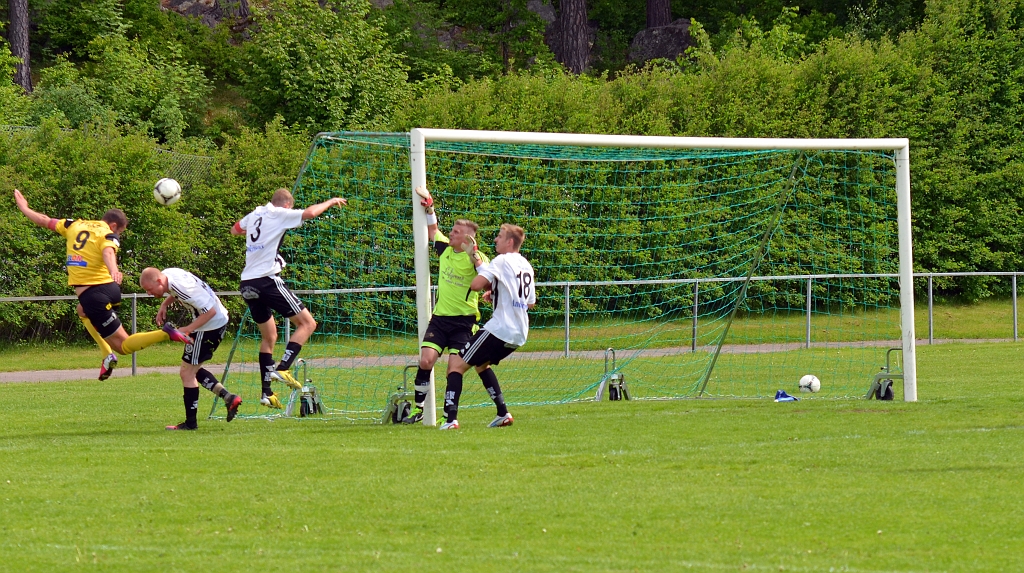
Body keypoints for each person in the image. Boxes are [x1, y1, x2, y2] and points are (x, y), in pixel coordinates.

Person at [13, 190, 193, 380]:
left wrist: (24, 208)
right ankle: (107, 355)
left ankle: (166, 334)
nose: (118, 235)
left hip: (94, 294)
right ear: (114, 225)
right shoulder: (107, 233)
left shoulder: (73, 225)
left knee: (123, 346)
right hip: (108, 289)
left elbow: (44, 219)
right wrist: (113, 270)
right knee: (81, 311)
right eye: (120, 232)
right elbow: (108, 251)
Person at [230, 188, 347, 409]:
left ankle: (267, 393)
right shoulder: (280, 213)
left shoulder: (255, 214)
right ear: (286, 206)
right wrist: (330, 201)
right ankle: (283, 368)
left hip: (247, 283)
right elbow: (311, 213)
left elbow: (235, 230)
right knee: (308, 323)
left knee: (269, 337)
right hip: (266, 280)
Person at [405, 186, 493, 425]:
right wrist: (430, 207)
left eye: (456, 232)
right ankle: (418, 408)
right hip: (441, 319)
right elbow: (433, 229)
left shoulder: (479, 257)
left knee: (454, 368)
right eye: (452, 231)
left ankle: (449, 414)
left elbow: (485, 275)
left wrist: (473, 254)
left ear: (467, 239)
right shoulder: (444, 249)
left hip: (464, 322)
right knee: (426, 360)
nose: (450, 234)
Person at [440, 224, 535, 430]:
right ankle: (503, 413)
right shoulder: (526, 265)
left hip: (501, 328)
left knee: (455, 366)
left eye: (499, 237)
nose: (495, 240)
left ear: (509, 242)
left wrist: (476, 262)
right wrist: (495, 294)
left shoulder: (501, 260)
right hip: (519, 333)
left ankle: (450, 420)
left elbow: (476, 284)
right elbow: (529, 303)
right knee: (481, 364)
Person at [139, 267, 242, 430]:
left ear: (159, 281)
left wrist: (187, 329)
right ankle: (229, 397)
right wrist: (165, 304)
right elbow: (175, 292)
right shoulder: (168, 274)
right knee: (193, 369)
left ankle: (191, 424)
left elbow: (210, 311)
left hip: (210, 326)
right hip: (214, 324)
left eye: (149, 290)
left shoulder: (182, 287)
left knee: (186, 373)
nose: (148, 294)